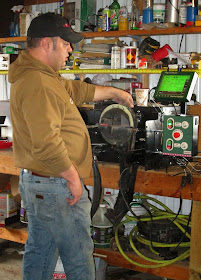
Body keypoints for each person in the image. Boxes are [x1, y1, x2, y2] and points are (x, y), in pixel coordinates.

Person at [8, 12, 133, 280]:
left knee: (41, 252)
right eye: (65, 43)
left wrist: (115, 93)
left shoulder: (42, 76)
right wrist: (73, 178)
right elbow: (46, 143)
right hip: (55, 185)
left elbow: (78, 91)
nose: (70, 50)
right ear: (47, 44)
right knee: (78, 256)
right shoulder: (37, 83)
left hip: (43, 184)